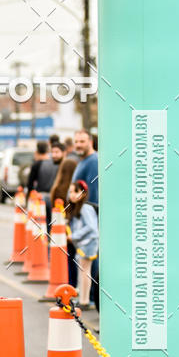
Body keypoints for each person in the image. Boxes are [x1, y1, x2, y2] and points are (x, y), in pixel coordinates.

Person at [65, 179, 98, 308]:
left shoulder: (85, 208)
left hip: (89, 243)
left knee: (84, 272)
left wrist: (74, 236)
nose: (72, 195)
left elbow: (92, 227)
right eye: (71, 192)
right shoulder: (78, 208)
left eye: (76, 191)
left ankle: (84, 300)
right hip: (85, 244)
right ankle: (83, 299)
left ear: (84, 193)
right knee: (83, 271)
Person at [72, 129, 98, 205]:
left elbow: (93, 192)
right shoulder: (83, 160)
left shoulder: (93, 161)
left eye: (82, 141)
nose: (78, 145)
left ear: (91, 142)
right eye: (76, 142)